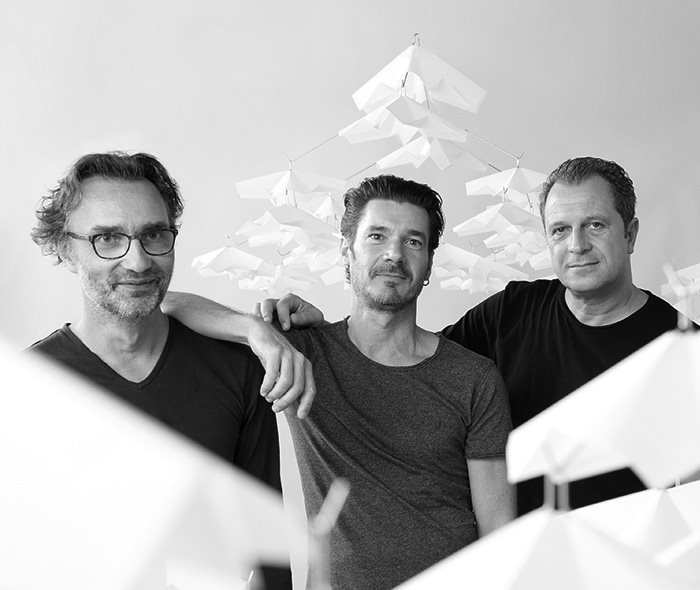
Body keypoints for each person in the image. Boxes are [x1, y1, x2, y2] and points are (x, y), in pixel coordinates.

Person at [264, 156, 689, 516]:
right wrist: (322, 333)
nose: (576, 245)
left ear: (630, 234)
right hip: (518, 562)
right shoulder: (513, 311)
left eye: (595, 225)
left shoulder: (684, 350)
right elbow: (408, 360)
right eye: (560, 229)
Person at [165, 175, 516, 590]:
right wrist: (255, 330)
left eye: (413, 241)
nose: (394, 254)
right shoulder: (301, 352)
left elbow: (501, 535)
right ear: (346, 252)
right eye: (377, 236)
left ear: (428, 266)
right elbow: (165, 304)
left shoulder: (475, 378)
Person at [28, 151, 312, 590]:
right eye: (108, 239)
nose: (139, 261)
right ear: (66, 250)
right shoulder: (28, 390)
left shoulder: (237, 370)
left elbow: (268, 555)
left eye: (154, 235)